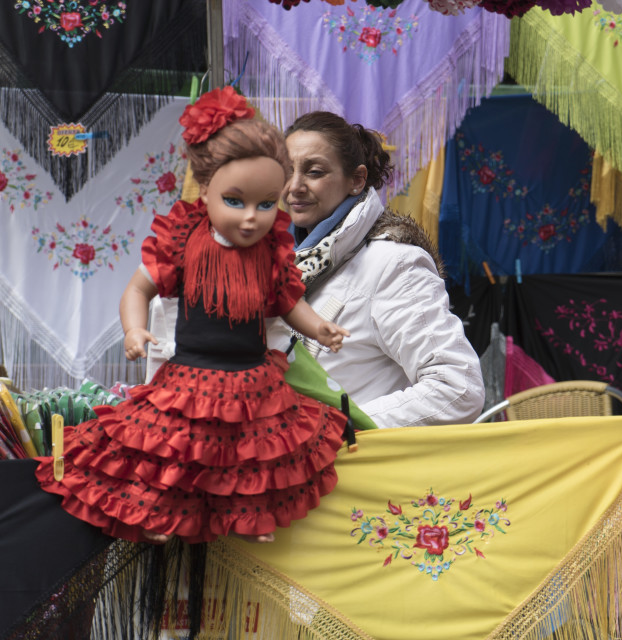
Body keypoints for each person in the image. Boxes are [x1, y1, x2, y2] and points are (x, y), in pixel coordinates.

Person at [34, 87, 350, 545]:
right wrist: (134, 328)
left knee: (249, 452)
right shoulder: (182, 239)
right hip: (192, 373)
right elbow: (137, 289)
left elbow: (287, 302)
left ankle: (248, 518)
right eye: (235, 201)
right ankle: (161, 515)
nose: (251, 218)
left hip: (252, 377)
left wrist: (318, 325)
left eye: (266, 204)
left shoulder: (271, 250)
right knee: (179, 448)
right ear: (206, 191)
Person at [267, 111, 485, 428]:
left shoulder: (393, 263)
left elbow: (457, 387)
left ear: (356, 180)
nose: (295, 186)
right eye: (287, 171)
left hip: (351, 469)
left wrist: (340, 428)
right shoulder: (279, 263)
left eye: (314, 172)